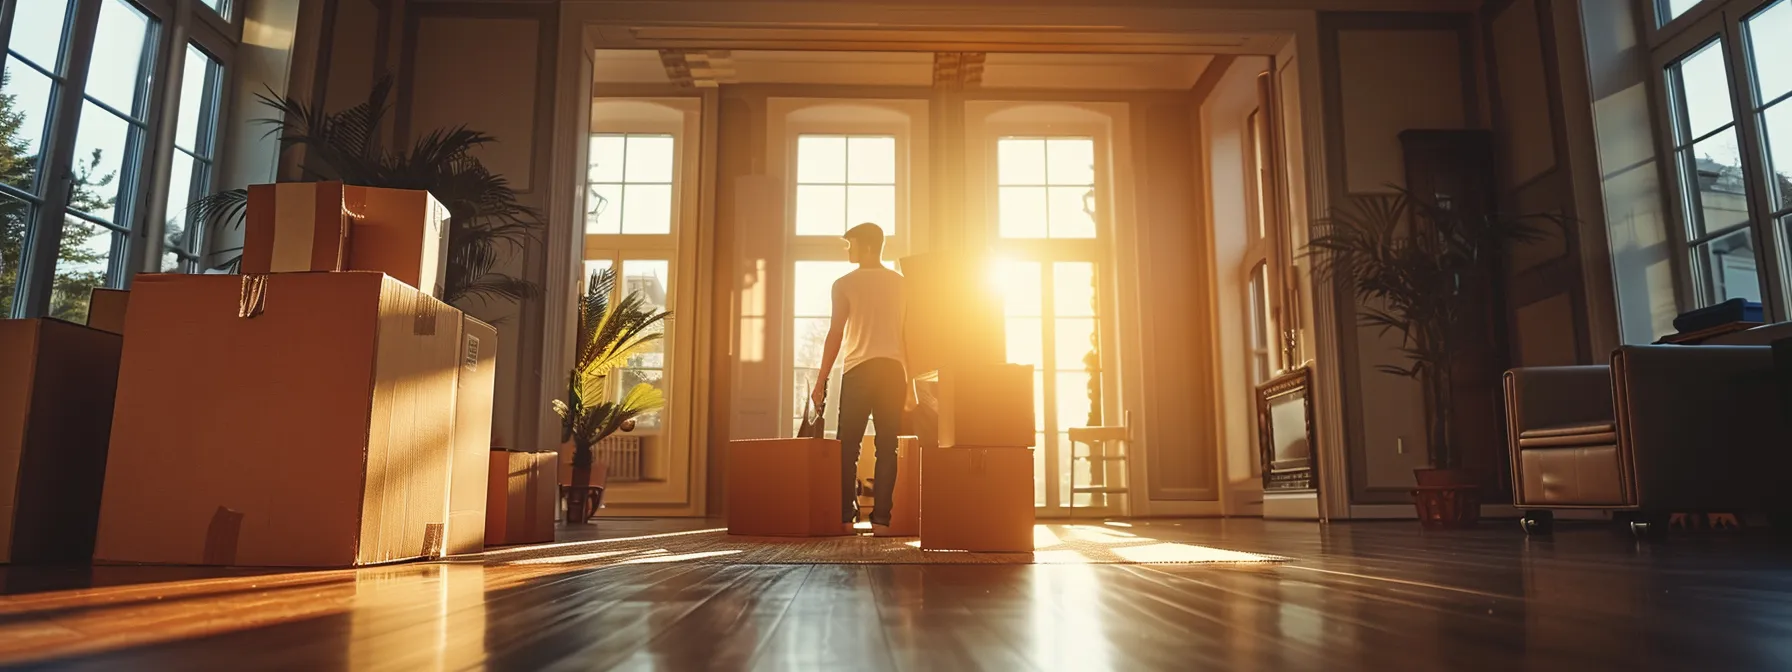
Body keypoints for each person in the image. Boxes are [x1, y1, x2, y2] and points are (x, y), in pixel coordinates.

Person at [811, 222, 910, 533]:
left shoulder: (843, 284)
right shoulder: (903, 283)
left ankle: (845, 517)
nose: (848, 250)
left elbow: (836, 333)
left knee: (847, 446)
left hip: (859, 371)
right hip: (894, 371)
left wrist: (821, 379)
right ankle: (881, 520)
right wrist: (913, 384)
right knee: (887, 447)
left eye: (850, 244)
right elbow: (910, 335)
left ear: (867, 246)